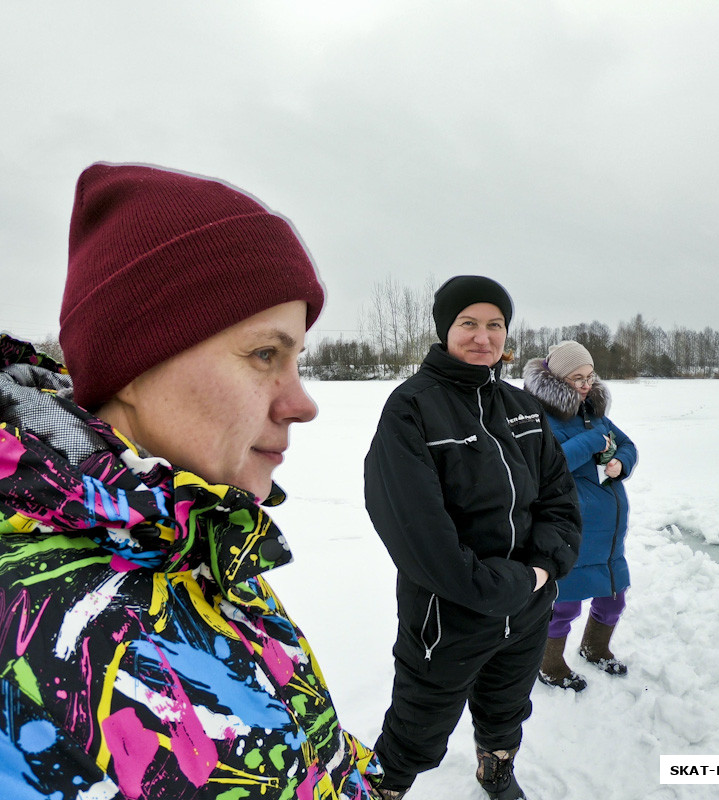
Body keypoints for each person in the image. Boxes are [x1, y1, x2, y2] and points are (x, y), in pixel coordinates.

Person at [0, 163, 383, 799]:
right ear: (132, 364)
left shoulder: (192, 532)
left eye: (296, 360)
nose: (303, 402)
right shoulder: (36, 651)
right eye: (266, 354)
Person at [364, 276, 582, 800]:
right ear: (445, 330)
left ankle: (496, 768)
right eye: (469, 323)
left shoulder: (521, 406)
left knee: (507, 707)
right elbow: (415, 527)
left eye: (495, 325)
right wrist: (501, 585)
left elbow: (559, 499)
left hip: (528, 606)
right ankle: (381, 789)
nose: (483, 337)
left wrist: (544, 569)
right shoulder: (411, 408)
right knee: (417, 726)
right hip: (449, 615)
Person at [523, 341, 638, 692]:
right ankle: (550, 664)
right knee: (564, 607)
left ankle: (595, 647)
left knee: (613, 598)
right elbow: (550, 464)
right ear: (557, 378)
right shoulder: (541, 416)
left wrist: (622, 462)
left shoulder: (594, 412)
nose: (586, 384)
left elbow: (627, 444)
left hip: (608, 536)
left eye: (590, 376)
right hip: (571, 533)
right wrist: (592, 442)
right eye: (577, 378)